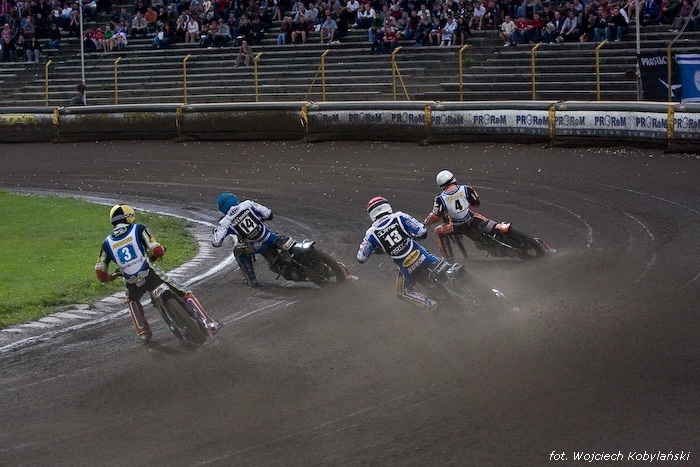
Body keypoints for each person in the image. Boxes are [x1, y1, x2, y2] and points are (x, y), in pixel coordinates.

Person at [95, 204, 220, 343]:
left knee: (132, 300)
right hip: (151, 275)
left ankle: (143, 331)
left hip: (132, 282)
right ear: (129, 217)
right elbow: (157, 251)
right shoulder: (138, 228)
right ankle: (208, 322)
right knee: (183, 291)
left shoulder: (106, 243)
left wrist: (110, 277)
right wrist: (160, 250)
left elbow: (100, 272)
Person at [357, 196, 442, 310]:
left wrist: (378, 248)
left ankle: (431, 304)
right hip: (424, 257)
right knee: (442, 264)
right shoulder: (399, 216)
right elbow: (422, 232)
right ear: (387, 206)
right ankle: (455, 274)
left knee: (402, 293)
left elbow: (361, 257)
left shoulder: (371, 233)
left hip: (406, 269)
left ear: (371, 214)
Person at [212, 192, 295, 286]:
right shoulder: (247, 204)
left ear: (222, 209)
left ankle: (251, 280)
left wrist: (216, 232)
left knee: (238, 251)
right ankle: (293, 252)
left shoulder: (225, 222)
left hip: (256, 245)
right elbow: (269, 214)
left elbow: (216, 242)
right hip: (270, 237)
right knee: (280, 237)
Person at [424, 170, 510, 261]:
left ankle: (448, 258)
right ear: (453, 179)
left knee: (438, 231)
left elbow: (435, 217)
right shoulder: (466, 188)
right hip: (472, 220)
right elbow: (476, 204)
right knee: (486, 221)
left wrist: (426, 222)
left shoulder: (440, 198)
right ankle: (501, 228)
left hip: (456, 226)